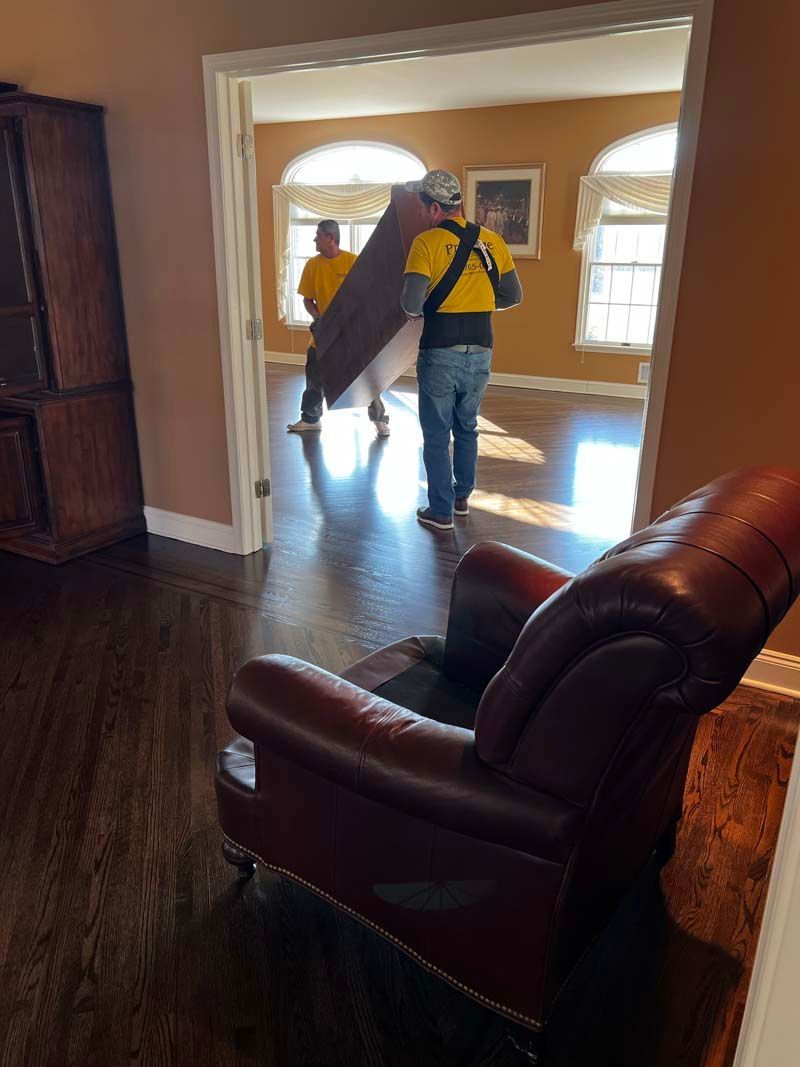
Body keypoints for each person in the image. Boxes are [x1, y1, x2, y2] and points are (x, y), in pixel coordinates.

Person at [401, 170, 523, 530]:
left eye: (423, 207)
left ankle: (439, 512)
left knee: (437, 433)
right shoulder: (493, 241)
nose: (422, 214)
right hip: (481, 348)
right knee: (467, 426)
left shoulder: (426, 243)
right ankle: (461, 499)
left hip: (440, 350)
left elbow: (411, 304)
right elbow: (513, 296)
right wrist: (478, 302)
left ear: (435, 206)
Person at [287, 219, 390, 437]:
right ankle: (311, 418)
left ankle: (379, 419)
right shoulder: (312, 265)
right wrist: (318, 317)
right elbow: (308, 299)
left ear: (330, 238)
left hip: (353, 333)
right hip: (324, 334)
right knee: (314, 373)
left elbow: (367, 298)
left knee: (368, 377)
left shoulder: (354, 262)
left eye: (318, 235)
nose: (315, 238)